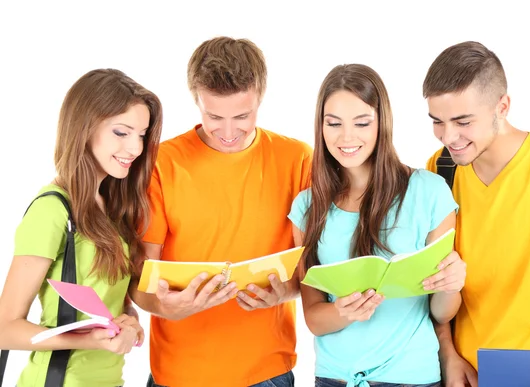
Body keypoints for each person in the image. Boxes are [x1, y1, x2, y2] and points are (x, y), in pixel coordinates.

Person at [128, 36, 313, 387]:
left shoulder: (298, 159)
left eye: (242, 116)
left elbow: (310, 267)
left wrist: (284, 291)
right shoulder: (160, 163)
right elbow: (138, 278)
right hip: (178, 374)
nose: (228, 132)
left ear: (261, 97)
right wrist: (167, 307)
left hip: (266, 372)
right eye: (214, 116)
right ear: (196, 100)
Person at [424, 41, 530, 387]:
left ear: (502, 106)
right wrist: (447, 353)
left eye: (463, 121)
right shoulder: (440, 168)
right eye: (437, 122)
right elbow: (432, 278)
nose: (449, 137)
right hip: (461, 376)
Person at [287, 63, 466, 387]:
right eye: (334, 123)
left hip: (412, 377)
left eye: (362, 122)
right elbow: (313, 316)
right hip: (334, 378)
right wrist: (344, 312)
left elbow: (442, 313)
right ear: (321, 126)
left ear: (381, 123)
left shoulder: (429, 192)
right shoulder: (307, 207)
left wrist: (452, 282)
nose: (347, 137)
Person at [0, 68, 163, 386]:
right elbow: (5, 329)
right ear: (84, 127)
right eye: (121, 132)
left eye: (141, 135)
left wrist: (130, 322)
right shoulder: (52, 210)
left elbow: (112, 301)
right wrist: (89, 340)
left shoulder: (112, 208)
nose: (135, 148)